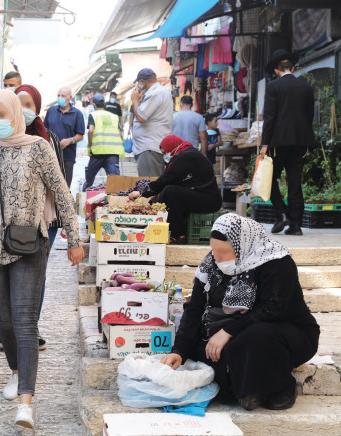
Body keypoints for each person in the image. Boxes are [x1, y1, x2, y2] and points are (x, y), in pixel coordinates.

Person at [0, 90, 84, 428]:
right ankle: (15, 372)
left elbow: (61, 192)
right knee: (6, 323)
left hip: (28, 247)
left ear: (14, 114)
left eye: (2, 114)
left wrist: (75, 238)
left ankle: (26, 401)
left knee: (25, 323)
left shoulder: (39, 147)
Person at [162, 214, 319, 411]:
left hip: (284, 331)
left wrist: (227, 331)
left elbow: (273, 310)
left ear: (242, 245)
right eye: (214, 251)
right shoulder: (211, 264)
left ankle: (282, 386)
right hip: (232, 330)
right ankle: (249, 389)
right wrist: (180, 351)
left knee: (254, 338)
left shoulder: (276, 262)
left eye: (224, 252)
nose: (217, 258)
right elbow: (194, 308)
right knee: (206, 350)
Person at [16, 83, 67, 351]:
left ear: (37, 108)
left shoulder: (50, 140)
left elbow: (59, 185)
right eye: (19, 104)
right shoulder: (2, 139)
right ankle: (12, 331)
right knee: (11, 272)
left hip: (44, 220)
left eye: (28, 105)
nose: (23, 110)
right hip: (10, 220)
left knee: (37, 275)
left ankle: (30, 329)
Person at [260, 49, 315, 236]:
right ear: (292, 67)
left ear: (277, 70)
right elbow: (309, 117)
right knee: (294, 183)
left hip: (278, 142)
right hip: (300, 142)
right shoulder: (306, 87)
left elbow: (270, 118)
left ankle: (280, 212)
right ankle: (296, 225)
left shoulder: (273, 87)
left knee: (269, 178)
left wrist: (264, 144)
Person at [129, 135, 221, 244]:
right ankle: (170, 230)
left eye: (165, 152)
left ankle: (178, 234)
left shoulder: (186, 157)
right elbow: (173, 179)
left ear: (173, 147)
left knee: (170, 192)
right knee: (168, 191)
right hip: (203, 196)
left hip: (209, 200)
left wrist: (142, 192)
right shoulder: (187, 154)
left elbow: (167, 178)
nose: (165, 156)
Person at [130, 68, 173, 177]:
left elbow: (141, 117)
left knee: (148, 186)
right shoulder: (158, 92)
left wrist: (135, 100)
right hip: (149, 147)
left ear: (142, 82)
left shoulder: (155, 93)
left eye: (139, 83)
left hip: (149, 148)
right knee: (150, 184)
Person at [44, 86, 86, 187]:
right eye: (58, 95)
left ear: (70, 97)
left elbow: (80, 136)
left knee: (65, 186)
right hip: (51, 155)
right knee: (50, 186)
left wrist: (70, 140)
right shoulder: (51, 111)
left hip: (67, 156)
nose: (60, 97)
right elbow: (44, 130)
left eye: (63, 96)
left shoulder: (77, 114)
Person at [84, 93, 124, 191]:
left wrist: (89, 146)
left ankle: (84, 197)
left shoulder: (93, 115)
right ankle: (115, 201)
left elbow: (91, 130)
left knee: (89, 180)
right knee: (114, 181)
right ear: (104, 104)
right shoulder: (114, 116)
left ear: (94, 104)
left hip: (97, 152)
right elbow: (120, 134)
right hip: (112, 153)